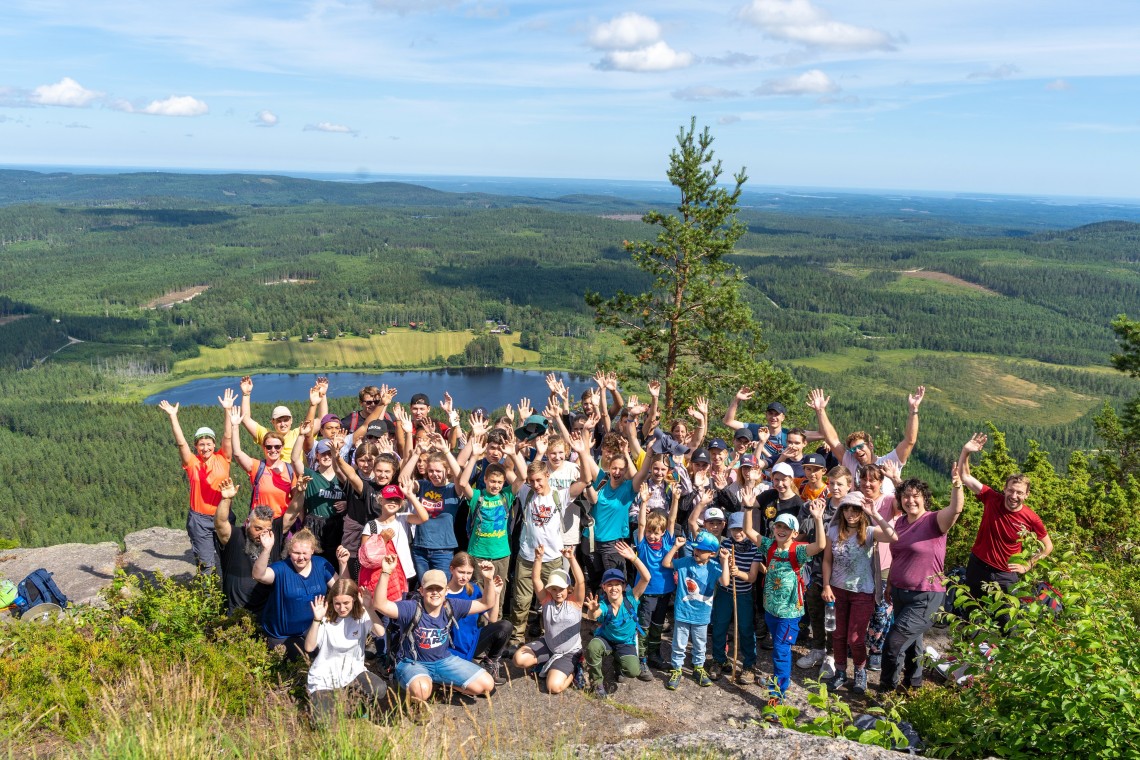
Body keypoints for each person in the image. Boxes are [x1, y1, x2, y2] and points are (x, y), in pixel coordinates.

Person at [371, 555, 499, 721]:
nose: (435, 593)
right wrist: (385, 572)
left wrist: (488, 580)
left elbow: (485, 604)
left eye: (439, 589)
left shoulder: (452, 605)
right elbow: (380, 604)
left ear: (446, 591)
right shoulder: (411, 608)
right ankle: (416, 701)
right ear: (421, 590)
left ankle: (439, 683)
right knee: (423, 689)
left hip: (443, 661)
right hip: (412, 662)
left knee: (487, 685)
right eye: (430, 589)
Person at [877, 469, 965, 693]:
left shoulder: (934, 521)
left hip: (925, 594)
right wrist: (889, 585)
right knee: (913, 641)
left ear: (925, 498)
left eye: (916, 496)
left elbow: (956, 509)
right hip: (899, 591)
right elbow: (898, 556)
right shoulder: (900, 523)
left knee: (894, 643)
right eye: (906, 496)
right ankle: (913, 684)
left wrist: (957, 485)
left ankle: (887, 689)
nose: (910, 500)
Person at [745, 503, 827, 705]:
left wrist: (817, 518)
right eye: (778, 527)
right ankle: (779, 680)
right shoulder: (769, 546)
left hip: (790, 612)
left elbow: (820, 546)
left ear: (795, 532)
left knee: (781, 651)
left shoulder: (798, 551)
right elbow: (748, 531)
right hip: (771, 609)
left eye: (786, 528)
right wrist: (748, 508)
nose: (781, 530)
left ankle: (778, 694)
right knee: (779, 648)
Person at [957, 433, 1053, 604]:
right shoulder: (992, 498)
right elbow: (964, 477)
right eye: (1011, 490)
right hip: (977, 566)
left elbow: (1048, 546)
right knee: (972, 613)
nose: (1014, 496)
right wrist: (966, 452)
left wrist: (1028, 565)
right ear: (1005, 489)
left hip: (1006, 574)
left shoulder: (1031, 518)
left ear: (1027, 495)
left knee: (1007, 620)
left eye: (1019, 493)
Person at [820, 491, 898, 694]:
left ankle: (860, 672)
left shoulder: (871, 531)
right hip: (837, 589)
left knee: (855, 637)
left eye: (855, 509)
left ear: (862, 511)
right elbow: (827, 559)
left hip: (863, 591)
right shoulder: (834, 529)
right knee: (837, 634)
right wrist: (826, 585)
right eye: (846, 508)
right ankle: (840, 672)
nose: (850, 513)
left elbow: (893, 537)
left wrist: (876, 514)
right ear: (841, 510)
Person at [158, 389, 236, 571]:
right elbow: (181, 443)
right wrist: (173, 416)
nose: (205, 447)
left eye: (209, 443)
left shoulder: (223, 458)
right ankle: (208, 598)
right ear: (196, 446)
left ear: (214, 445)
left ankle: (229, 597)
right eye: (201, 444)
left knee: (230, 559)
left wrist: (227, 410)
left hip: (222, 515)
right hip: (199, 520)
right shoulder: (192, 462)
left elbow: (228, 436)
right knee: (206, 564)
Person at [808, 386, 925, 496]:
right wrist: (820, 411)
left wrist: (914, 410)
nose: (857, 451)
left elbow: (909, 441)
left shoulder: (889, 462)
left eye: (860, 446)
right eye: (853, 449)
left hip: (885, 515)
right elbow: (833, 440)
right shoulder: (851, 462)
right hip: (857, 515)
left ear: (871, 445)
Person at [252, 528, 349, 659]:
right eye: (296, 553)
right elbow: (259, 575)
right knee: (305, 659)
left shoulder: (321, 564)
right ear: (289, 552)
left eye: (305, 553)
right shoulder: (281, 568)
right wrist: (267, 549)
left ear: (312, 551)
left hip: (312, 627)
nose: (301, 557)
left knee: (331, 654)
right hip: (282, 635)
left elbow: (343, 590)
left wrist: (343, 564)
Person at [304, 579, 388, 724]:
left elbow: (380, 632)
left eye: (346, 603)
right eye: (337, 603)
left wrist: (369, 608)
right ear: (332, 601)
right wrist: (316, 620)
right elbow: (309, 647)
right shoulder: (326, 617)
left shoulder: (361, 616)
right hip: (324, 679)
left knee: (379, 688)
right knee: (322, 723)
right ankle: (330, 703)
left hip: (353, 673)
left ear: (354, 600)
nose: (342, 608)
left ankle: (355, 705)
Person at [512, 546, 587, 694]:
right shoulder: (546, 600)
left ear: (568, 589)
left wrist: (571, 558)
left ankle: (574, 670)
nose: (557, 593)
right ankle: (549, 661)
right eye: (553, 589)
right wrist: (538, 558)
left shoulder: (575, 602)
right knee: (518, 660)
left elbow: (581, 581)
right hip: (549, 644)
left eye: (561, 589)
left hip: (570, 651)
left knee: (554, 687)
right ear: (549, 590)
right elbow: (535, 579)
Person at [583, 541, 652, 698]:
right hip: (606, 639)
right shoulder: (603, 604)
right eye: (609, 584)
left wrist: (633, 558)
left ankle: (618, 662)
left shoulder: (631, 598)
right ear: (604, 588)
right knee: (593, 647)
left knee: (633, 671)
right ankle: (597, 683)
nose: (614, 588)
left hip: (625, 642)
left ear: (623, 586)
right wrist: (592, 610)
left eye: (617, 584)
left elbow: (646, 577)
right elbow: (593, 616)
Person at [661, 531, 723, 689]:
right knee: (679, 644)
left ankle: (698, 668)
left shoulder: (714, 566)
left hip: (702, 614)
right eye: (696, 548)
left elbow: (726, 581)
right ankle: (676, 669)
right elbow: (666, 563)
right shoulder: (684, 562)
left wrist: (724, 560)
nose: (697, 552)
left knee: (700, 644)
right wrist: (675, 547)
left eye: (702, 550)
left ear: (712, 553)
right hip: (683, 612)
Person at [709, 513, 763, 684]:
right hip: (725, 592)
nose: (737, 532)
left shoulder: (755, 548)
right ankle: (719, 659)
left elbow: (753, 577)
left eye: (741, 529)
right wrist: (725, 562)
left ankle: (748, 664)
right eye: (734, 529)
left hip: (744, 594)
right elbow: (720, 569)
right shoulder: (725, 544)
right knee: (719, 625)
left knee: (746, 628)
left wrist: (738, 572)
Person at [213, 479, 281, 614]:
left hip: (265, 613)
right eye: (258, 528)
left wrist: (299, 493)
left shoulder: (272, 539)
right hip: (235, 613)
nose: (262, 534)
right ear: (247, 523)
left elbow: (291, 515)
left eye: (266, 529)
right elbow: (220, 523)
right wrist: (226, 499)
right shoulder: (236, 537)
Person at [634, 483, 680, 674]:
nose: (653, 535)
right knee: (644, 625)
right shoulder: (643, 544)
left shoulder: (668, 542)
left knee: (658, 625)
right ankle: (642, 658)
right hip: (647, 592)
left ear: (662, 533)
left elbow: (671, 520)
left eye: (656, 532)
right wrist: (644, 503)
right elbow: (642, 524)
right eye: (651, 532)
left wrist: (676, 499)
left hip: (664, 591)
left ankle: (654, 654)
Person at [445, 553, 512, 685]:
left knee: (505, 626)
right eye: (461, 572)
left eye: (469, 573)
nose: (465, 577)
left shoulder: (473, 589)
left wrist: (496, 593)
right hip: (451, 649)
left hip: (472, 642)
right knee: (480, 688)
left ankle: (490, 664)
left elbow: (492, 618)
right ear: (451, 569)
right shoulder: (443, 593)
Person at [239, 375, 325, 462]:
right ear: (273, 422)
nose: (283, 424)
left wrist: (322, 395)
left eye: (286, 420)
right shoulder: (267, 435)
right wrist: (246, 394)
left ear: (291, 420)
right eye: (279, 421)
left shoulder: (298, 433)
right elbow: (245, 419)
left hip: (297, 475)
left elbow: (322, 420)